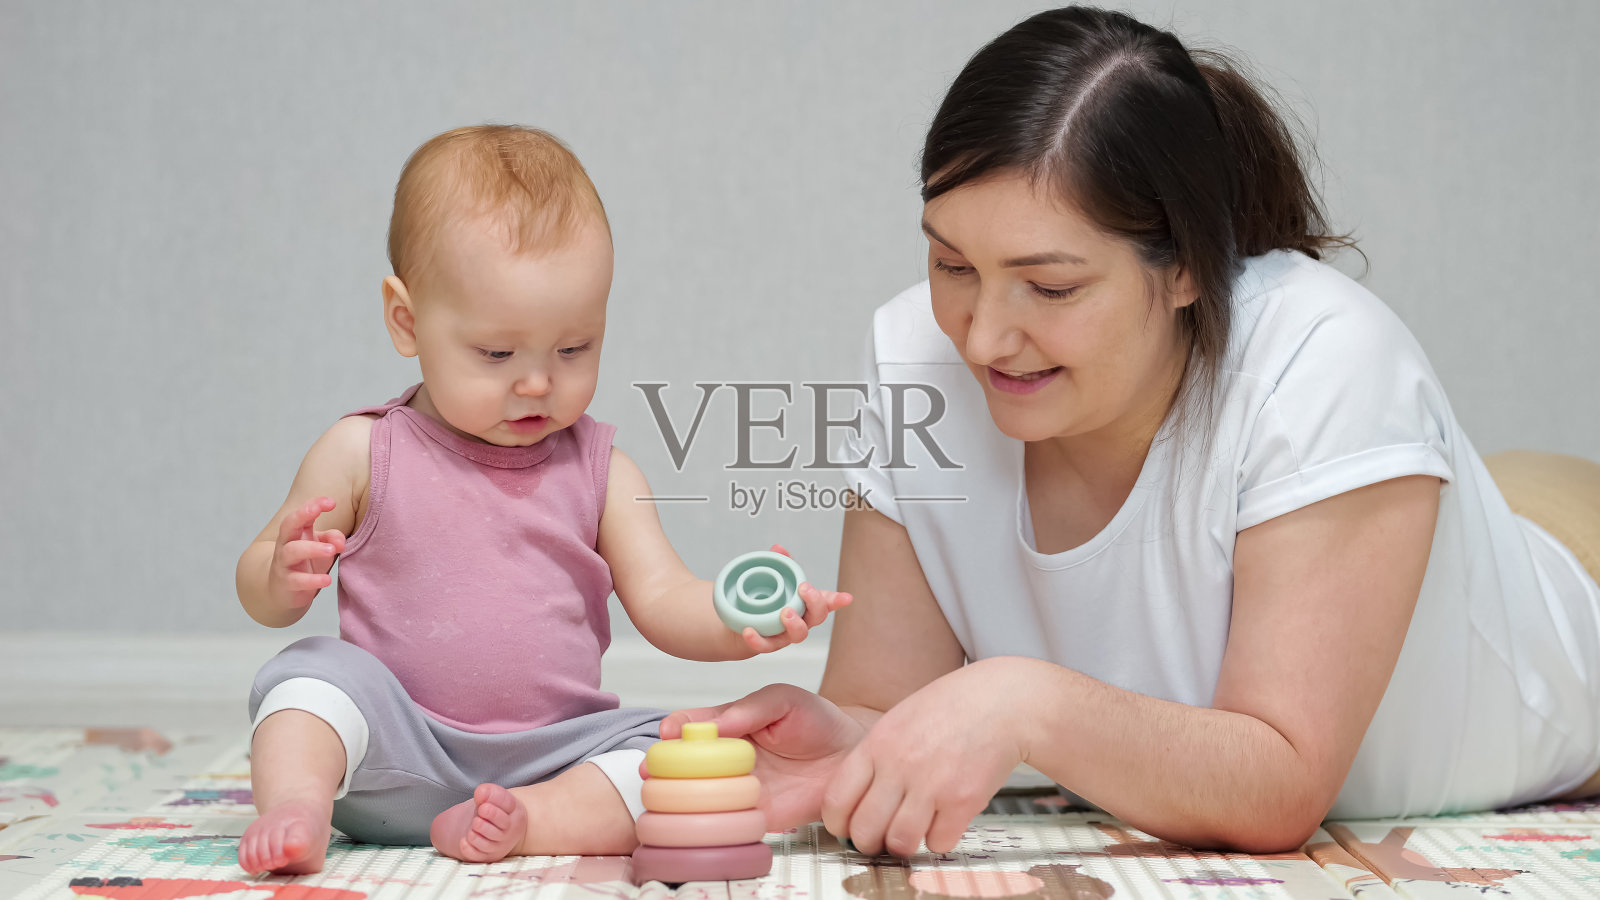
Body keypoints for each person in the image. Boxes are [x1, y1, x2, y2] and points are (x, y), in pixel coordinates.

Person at [660, 6, 1600, 857]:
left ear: (1191, 265)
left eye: (1053, 287)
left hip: (1564, 598)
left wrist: (1022, 698)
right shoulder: (917, 352)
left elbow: (1281, 786)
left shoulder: (1326, 357)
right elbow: (886, 701)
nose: (982, 335)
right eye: (950, 262)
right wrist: (853, 743)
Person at [232, 125, 850, 875]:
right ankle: (299, 804)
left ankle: (529, 822)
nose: (536, 382)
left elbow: (662, 599)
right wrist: (278, 575)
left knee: (685, 753)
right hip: (393, 745)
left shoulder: (604, 471)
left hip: (557, 753)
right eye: (497, 353)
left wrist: (734, 615)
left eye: (574, 349)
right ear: (407, 320)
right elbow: (260, 581)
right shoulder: (363, 451)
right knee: (309, 676)